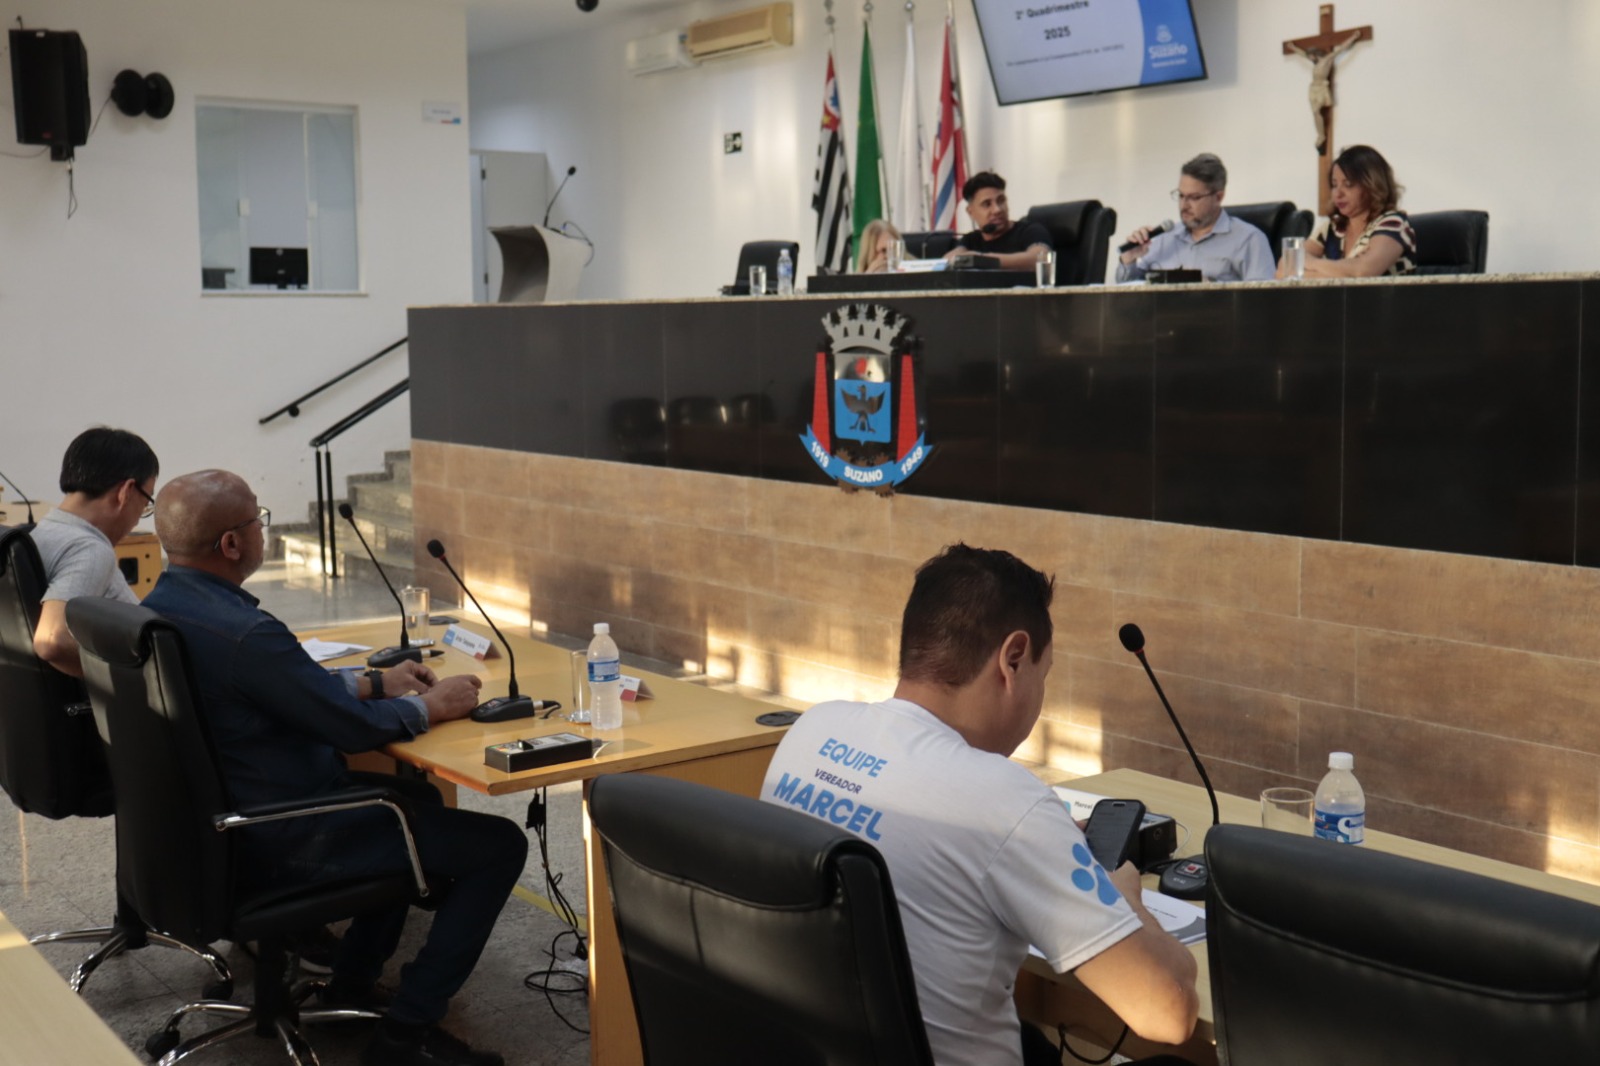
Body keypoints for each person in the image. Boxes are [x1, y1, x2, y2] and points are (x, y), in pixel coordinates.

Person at [760, 545, 1198, 1066]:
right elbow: (1168, 1012)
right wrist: (1124, 900)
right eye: (1043, 674)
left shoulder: (812, 730)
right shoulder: (1007, 801)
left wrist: (1045, 845)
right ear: (1013, 659)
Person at [143, 469, 525, 1066]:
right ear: (232, 544)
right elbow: (349, 731)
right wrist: (432, 705)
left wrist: (374, 681)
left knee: (417, 803)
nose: (262, 529)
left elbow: (275, 687)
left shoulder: (158, 610)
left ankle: (352, 982)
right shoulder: (246, 633)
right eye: (257, 519)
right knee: (499, 845)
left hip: (211, 827)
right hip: (284, 831)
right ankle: (407, 1033)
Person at [30, 427, 159, 678]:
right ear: (126, 492)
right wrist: (135, 676)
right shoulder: (89, 549)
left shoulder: (40, 533)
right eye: (145, 504)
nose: (137, 521)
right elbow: (52, 639)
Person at [1116, 153, 1274, 283]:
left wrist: (1214, 289)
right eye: (1181, 195)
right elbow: (1129, 295)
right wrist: (1129, 260)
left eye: (1194, 197)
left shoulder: (1249, 240)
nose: (1184, 205)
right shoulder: (1165, 238)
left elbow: (1261, 301)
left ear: (1218, 197)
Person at [1292, 144, 1416, 278]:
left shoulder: (1393, 224)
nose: (1338, 194)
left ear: (1372, 185)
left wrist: (1310, 263)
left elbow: (1363, 271)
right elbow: (1285, 269)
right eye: (1334, 185)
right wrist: (1340, 274)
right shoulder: (1331, 228)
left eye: (1348, 185)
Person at [946, 172, 1054, 271]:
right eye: (987, 204)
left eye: (1001, 201)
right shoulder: (970, 240)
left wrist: (982, 260)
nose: (997, 210)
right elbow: (948, 259)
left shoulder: (1031, 231)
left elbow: (1041, 259)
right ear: (971, 212)